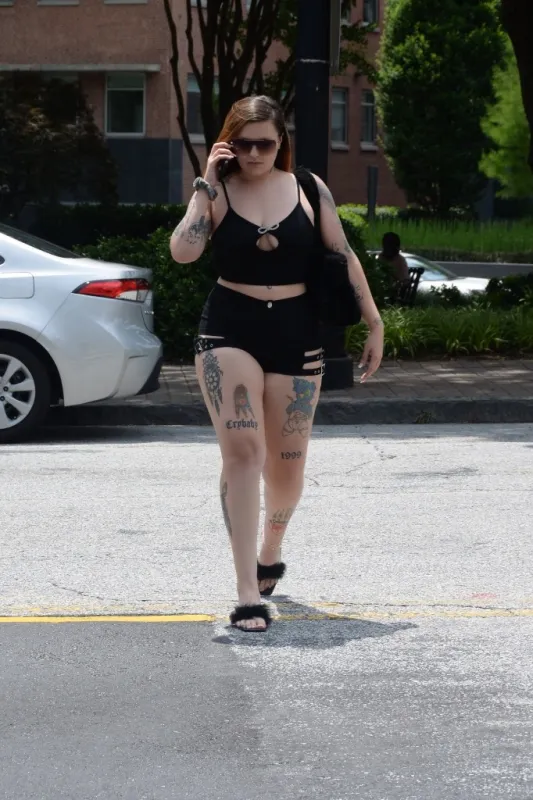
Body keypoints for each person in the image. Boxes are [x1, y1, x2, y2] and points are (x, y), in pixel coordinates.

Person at [170, 95, 384, 632]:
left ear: (280, 142)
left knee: (286, 472)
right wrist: (205, 184)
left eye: (264, 144)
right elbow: (183, 251)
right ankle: (247, 592)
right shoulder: (217, 192)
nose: (254, 154)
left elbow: (343, 254)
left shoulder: (309, 189)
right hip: (229, 328)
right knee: (244, 453)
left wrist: (375, 322)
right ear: (228, 144)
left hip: (296, 332)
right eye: (243, 144)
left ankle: (271, 549)